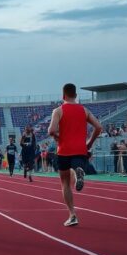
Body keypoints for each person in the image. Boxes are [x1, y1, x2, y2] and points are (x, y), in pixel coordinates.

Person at [47, 83, 102, 227]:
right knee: (76, 168)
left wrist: (57, 137)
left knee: (65, 184)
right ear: (76, 96)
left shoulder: (58, 110)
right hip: (80, 149)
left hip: (64, 150)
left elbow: (51, 130)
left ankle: (72, 214)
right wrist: (89, 143)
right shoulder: (84, 110)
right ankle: (78, 172)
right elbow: (98, 127)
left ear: (63, 95)